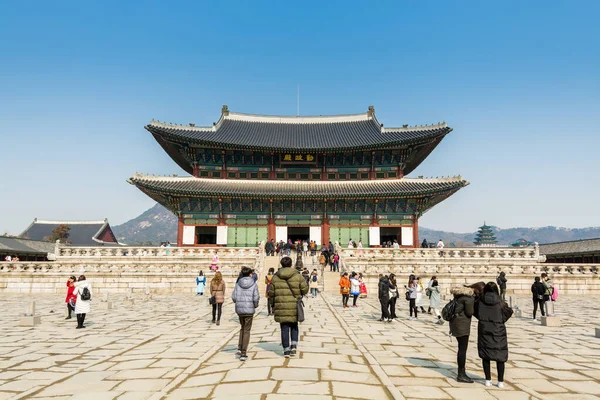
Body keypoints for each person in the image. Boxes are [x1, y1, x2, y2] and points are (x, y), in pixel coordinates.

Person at [474, 282, 513, 389]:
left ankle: (488, 379)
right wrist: (501, 320)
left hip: (484, 329)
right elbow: (509, 312)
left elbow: (475, 312)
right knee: (500, 356)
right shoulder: (500, 302)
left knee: (485, 355)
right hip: (498, 331)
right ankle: (500, 381)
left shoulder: (480, 301)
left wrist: (482, 319)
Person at [268, 256, 308, 357]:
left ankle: (286, 350)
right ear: (291, 264)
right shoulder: (297, 276)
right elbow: (305, 290)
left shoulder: (276, 277)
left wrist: (272, 304)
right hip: (294, 305)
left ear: (281, 264)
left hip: (281, 305)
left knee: (284, 327)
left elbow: (271, 293)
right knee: (294, 325)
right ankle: (293, 345)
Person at [231, 266, 259, 361]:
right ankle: (243, 352)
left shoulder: (238, 283)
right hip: (249, 310)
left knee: (242, 328)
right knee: (247, 330)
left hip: (240, 310)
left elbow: (234, 297)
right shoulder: (254, 284)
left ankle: (239, 347)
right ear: (250, 274)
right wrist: (254, 305)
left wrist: (238, 303)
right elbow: (256, 297)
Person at [449, 286, 475, 383]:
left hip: (455, 324)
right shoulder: (468, 299)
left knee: (461, 349)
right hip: (463, 325)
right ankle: (461, 374)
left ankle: (461, 372)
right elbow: (469, 312)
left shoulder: (457, 297)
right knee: (462, 350)